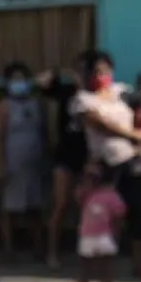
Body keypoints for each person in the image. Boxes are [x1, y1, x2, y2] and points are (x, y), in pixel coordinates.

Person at [72, 50, 141, 277]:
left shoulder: (124, 92)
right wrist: (134, 135)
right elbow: (100, 123)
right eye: (96, 71)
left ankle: (138, 264)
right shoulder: (82, 99)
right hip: (103, 166)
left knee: (136, 212)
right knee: (101, 216)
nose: (102, 75)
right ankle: (102, 268)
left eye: (105, 70)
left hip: (130, 162)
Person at [36, 58, 90, 269]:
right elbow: (42, 83)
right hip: (65, 155)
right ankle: (52, 252)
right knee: (60, 205)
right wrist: (58, 68)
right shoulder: (66, 91)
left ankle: (85, 253)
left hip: (89, 156)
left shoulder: (98, 95)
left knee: (87, 207)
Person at [0, 61, 47, 261]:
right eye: (14, 79)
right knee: (9, 208)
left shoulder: (36, 104)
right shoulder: (3, 107)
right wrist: (0, 165)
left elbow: (43, 133)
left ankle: (38, 247)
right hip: (12, 162)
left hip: (33, 163)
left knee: (34, 208)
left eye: (22, 79)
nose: (19, 83)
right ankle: (8, 250)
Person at [76, 167, 127, 282]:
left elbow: (119, 212)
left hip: (105, 232)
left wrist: (116, 229)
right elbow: (77, 198)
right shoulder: (85, 195)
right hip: (87, 232)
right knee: (85, 257)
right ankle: (84, 278)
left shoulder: (110, 195)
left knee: (106, 257)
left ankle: (107, 278)